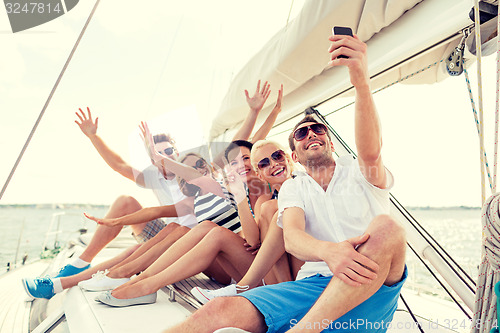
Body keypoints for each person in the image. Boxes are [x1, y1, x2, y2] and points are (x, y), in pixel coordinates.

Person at [164, 32, 406, 333]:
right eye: (302, 135)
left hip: (369, 284)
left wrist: (360, 81)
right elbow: (291, 237)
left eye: (317, 129)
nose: (311, 135)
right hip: (312, 285)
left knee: (387, 227)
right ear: (295, 154)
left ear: (329, 140)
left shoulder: (362, 172)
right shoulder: (295, 188)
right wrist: (329, 252)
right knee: (216, 311)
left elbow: (371, 150)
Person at [94, 139, 297, 307]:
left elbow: (253, 241)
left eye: (246, 159)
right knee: (202, 228)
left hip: (271, 274)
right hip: (250, 266)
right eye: (234, 163)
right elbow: (252, 240)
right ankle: (140, 281)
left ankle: (143, 284)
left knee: (207, 231)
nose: (242, 165)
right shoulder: (241, 194)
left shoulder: (269, 198)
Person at [52, 107, 196, 279]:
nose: (165, 156)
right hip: (165, 234)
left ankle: (106, 276)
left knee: (154, 240)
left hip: (190, 239)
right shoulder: (155, 177)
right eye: (158, 153)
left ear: (177, 153)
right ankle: (82, 263)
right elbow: (119, 165)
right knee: (125, 201)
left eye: (169, 151)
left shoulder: (192, 174)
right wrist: (93, 136)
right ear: (153, 159)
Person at [190, 139, 304, 304]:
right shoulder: (264, 200)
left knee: (274, 208)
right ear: (260, 172)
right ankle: (285, 291)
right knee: (210, 230)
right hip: (281, 270)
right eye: (264, 163)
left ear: (288, 158)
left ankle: (244, 287)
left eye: (277, 156)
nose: (273, 164)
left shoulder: (304, 184)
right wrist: (239, 195)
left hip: (305, 259)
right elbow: (252, 241)